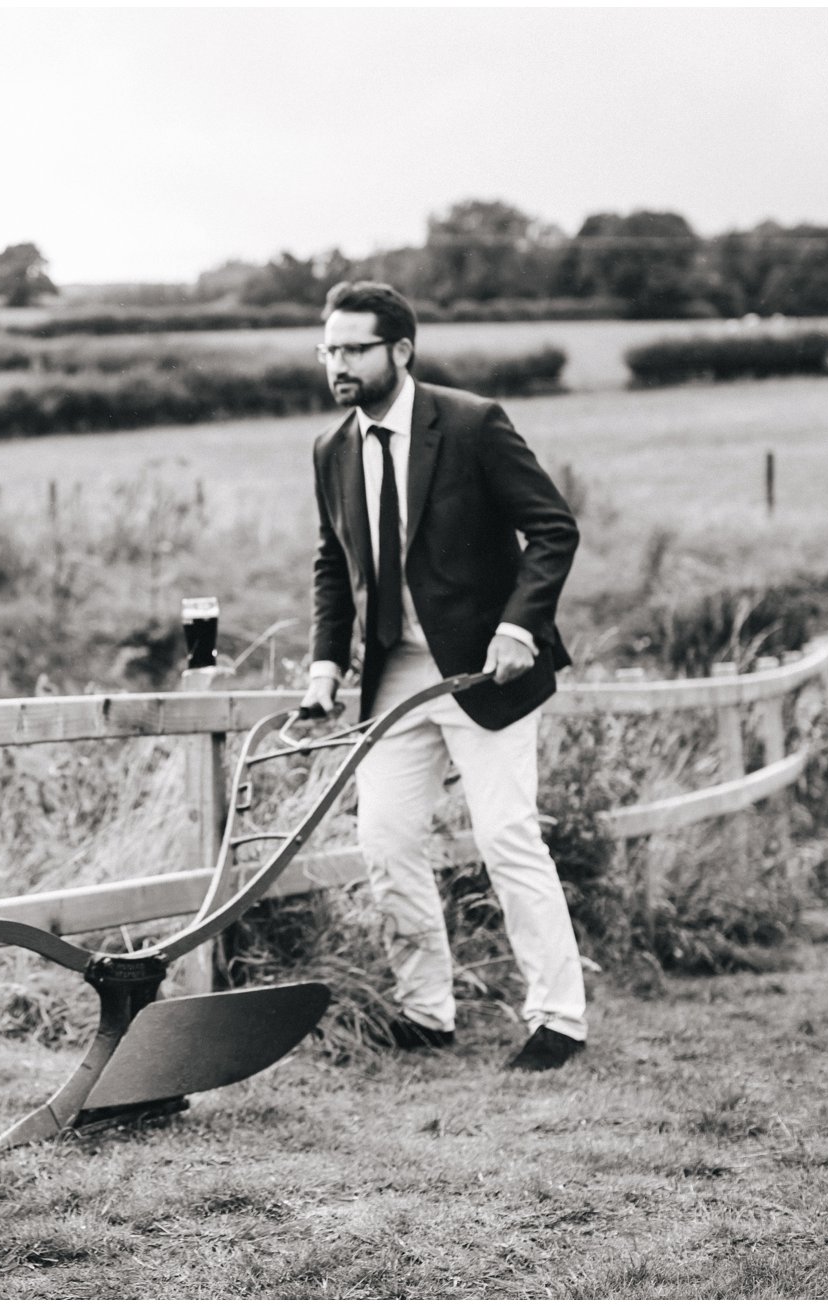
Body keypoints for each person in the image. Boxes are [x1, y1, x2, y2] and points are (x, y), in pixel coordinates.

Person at [300, 280, 586, 1072]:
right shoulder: (332, 449)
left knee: (505, 836)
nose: (338, 364)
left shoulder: (471, 423)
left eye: (354, 348)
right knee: (385, 840)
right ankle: (427, 1010)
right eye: (329, 350)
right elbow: (335, 563)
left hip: (488, 672)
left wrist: (519, 624)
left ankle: (559, 1018)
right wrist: (327, 662)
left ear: (400, 349)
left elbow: (553, 528)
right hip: (394, 676)